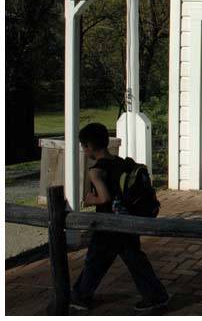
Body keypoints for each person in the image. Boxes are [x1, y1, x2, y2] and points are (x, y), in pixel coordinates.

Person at [70, 123, 169, 313]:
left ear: (88, 146)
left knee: (95, 260)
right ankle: (155, 296)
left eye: (83, 146)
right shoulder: (120, 162)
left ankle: (80, 297)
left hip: (108, 223)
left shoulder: (96, 170)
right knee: (133, 259)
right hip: (127, 221)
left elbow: (105, 198)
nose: (84, 150)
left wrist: (90, 199)